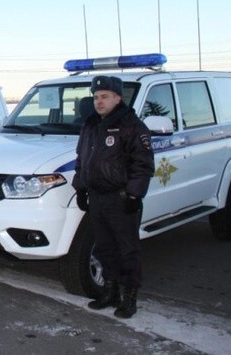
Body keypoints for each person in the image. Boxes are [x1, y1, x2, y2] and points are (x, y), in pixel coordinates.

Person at [72, 75, 155, 319]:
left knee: (127, 250)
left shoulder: (132, 126)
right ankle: (110, 291)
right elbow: (82, 160)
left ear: (118, 98)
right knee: (105, 248)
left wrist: (133, 195)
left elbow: (143, 164)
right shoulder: (90, 125)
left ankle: (129, 298)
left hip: (121, 199)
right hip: (97, 198)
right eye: (96, 97)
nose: (99, 101)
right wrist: (81, 188)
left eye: (105, 97)